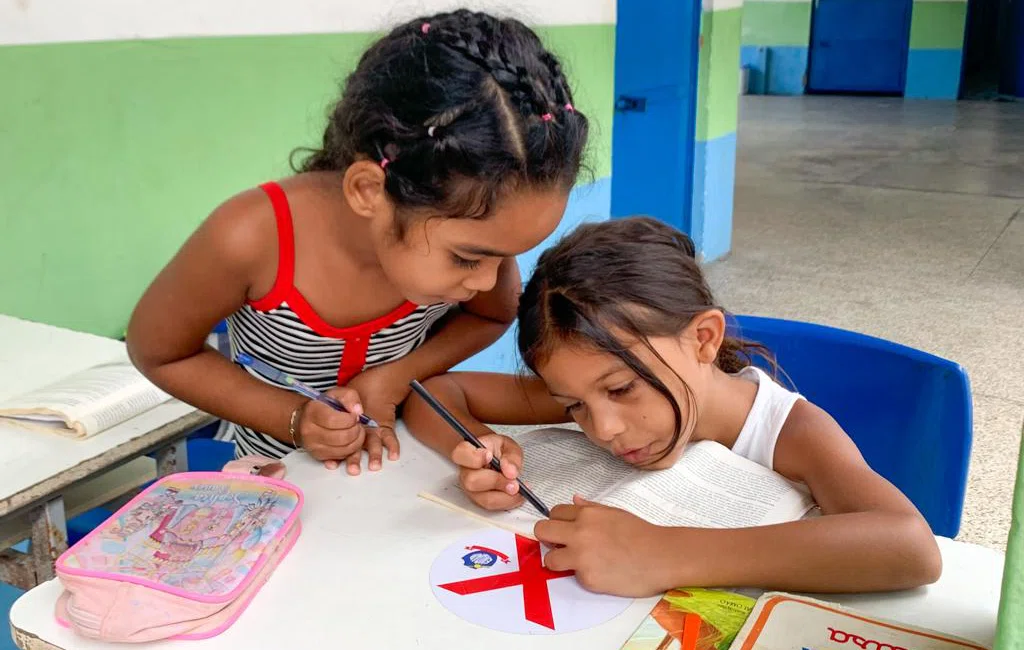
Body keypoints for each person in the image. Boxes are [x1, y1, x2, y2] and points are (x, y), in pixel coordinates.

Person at [127, 10, 588, 474]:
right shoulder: (250, 238)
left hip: (402, 472)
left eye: (506, 255)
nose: (490, 279)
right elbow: (160, 351)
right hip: (278, 485)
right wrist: (295, 419)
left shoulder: (473, 235)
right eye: (469, 258)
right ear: (370, 191)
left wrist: (396, 376)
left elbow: (495, 313)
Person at [404, 217, 942, 597]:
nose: (604, 428)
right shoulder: (590, 387)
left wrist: (665, 554)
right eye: (574, 407)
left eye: (622, 390)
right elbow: (439, 393)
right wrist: (477, 446)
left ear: (704, 340)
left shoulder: (790, 431)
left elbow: (911, 547)